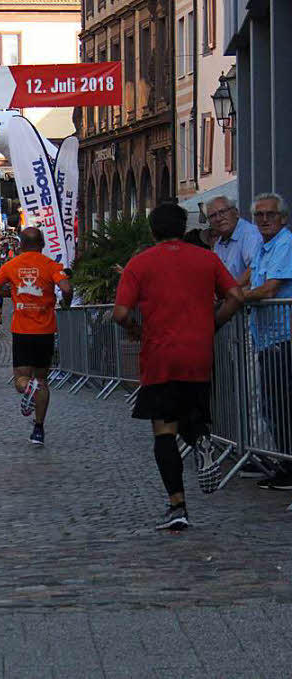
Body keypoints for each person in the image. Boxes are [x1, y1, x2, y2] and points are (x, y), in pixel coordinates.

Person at [114, 203, 243, 530]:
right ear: (184, 226)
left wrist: (135, 329)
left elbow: (119, 313)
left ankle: (177, 505)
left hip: (160, 354)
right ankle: (201, 439)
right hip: (199, 352)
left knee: (164, 429)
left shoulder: (139, 264)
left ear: (152, 230)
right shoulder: (207, 258)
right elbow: (236, 296)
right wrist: (213, 325)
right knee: (192, 412)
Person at [0, 227, 72, 447]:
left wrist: (12, 293)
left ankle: (29, 389)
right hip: (45, 331)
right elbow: (66, 286)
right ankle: (38, 429)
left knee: (20, 381)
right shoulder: (51, 265)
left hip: (23, 331)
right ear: (42, 244)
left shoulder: (11, 265)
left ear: (21, 245)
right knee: (42, 380)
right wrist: (66, 301)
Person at [241, 193, 292, 490]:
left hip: (283, 337)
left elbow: (270, 289)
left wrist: (237, 298)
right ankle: (283, 461)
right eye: (259, 215)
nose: (264, 219)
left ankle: (288, 463)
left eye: (270, 214)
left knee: (281, 404)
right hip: (266, 337)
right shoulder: (263, 246)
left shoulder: (285, 243)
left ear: (282, 218)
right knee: (271, 405)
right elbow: (247, 280)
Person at [207, 196, 262, 281]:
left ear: (236, 212)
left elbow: (255, 268)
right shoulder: (219, 242)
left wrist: (232, 290)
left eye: (222, 212)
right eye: (213, 216)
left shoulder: (250, 234)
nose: (218, 218)